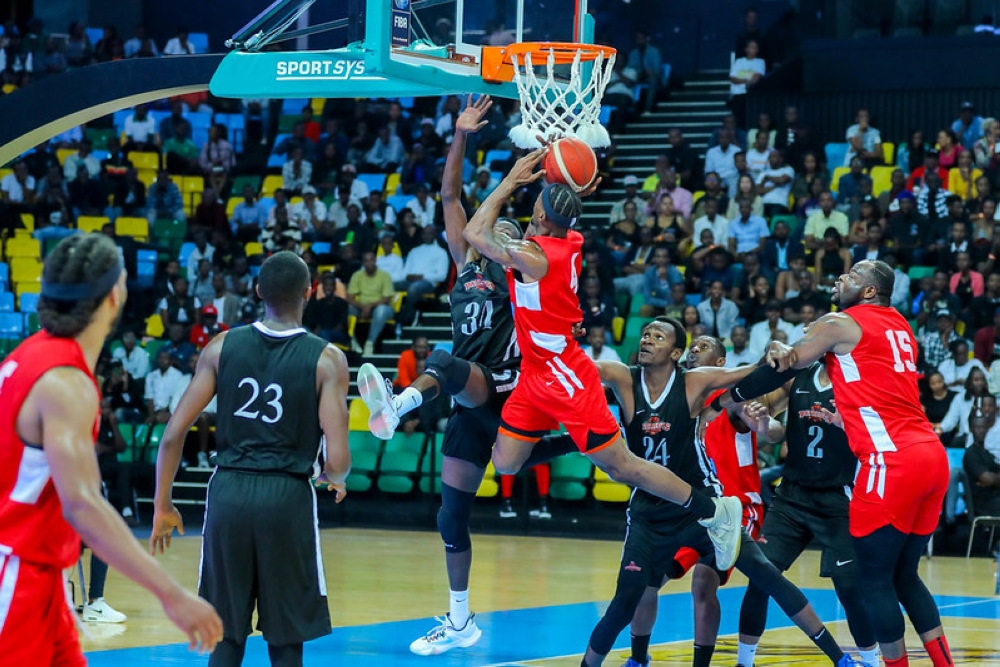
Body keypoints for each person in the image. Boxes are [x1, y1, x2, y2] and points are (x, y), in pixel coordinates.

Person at [462, 148, 763, 578]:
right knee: (506, 461)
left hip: (565, 373)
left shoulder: (534, 256)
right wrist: (568, 185)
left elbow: (476, 232)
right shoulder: (567, 239)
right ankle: (576, 442)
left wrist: (511, 180)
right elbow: (549, 221)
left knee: (622, 466)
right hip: (536, 369)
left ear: (543, 218)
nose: (535, 204)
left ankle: (714, 511)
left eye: (539, 203)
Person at [357, 96, 576, 654]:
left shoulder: (519, 266)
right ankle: (460, 621)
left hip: (502, 383)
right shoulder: (467, 262)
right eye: (495, 223)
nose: (499, 227)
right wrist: (459, 135)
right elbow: (450, 194)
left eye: (508, 226)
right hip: (470, 403)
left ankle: (401, 405)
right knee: (450, 514)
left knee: (447, 364)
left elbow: (532, 227)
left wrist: (520, 188)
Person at [716, 260, 955, 667]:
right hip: (931, 456)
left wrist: (731, 394)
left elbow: (784, 365)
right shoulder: (900, 326)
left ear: (867, 292)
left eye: (851, 275)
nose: (839, 277)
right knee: (905, 576)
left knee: (872, 581)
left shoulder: (839, 323)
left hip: (890, 460)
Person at [582, 322, 862, 667]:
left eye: (659, 336)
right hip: (650, 511)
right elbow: (577, 366)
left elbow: (760, 381)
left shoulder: (704, 388)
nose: (647, 339)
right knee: (631, 595)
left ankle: (840, 658)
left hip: (708, 507)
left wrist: (774, 351)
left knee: (755, 577)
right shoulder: (625, 378)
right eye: (646, 334)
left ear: (676, 353)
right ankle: (634, 659)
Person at [0, 234, 221, 664]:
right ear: (113, 296)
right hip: (16, 574)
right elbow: (83, 505)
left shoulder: (29, 355)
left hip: (42, 577)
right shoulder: (65, 382)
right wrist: (171, 593)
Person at [150, 251, 352, 667]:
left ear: (258, 292)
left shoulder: (221, 346)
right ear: (309, 292)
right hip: (287, 497)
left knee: (224, 631)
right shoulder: (328, 359)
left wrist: (163, 504)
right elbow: (339, 459)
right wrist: (334, 476)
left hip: (228, 494)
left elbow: (172, 435)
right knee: (286, 637)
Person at [736, 359, 879, 667]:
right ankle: (744, 662)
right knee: (761, 576)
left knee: (849, 585)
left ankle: (871, 660)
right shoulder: (797, 375)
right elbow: (771, 424)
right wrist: (762, 424)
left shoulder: (858, 381)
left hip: (837, 496)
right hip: (792, 495)